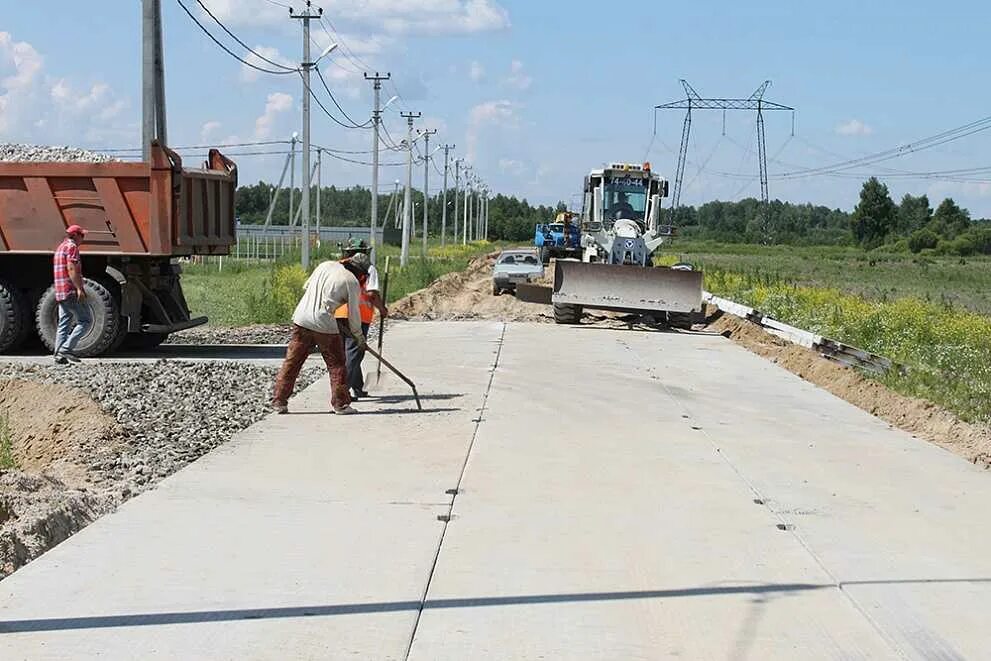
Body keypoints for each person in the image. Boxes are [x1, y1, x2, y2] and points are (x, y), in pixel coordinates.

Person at [271, 254, 369, 415]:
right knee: (337, 365)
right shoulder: (351, 281)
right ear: (361, 274)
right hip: (324, 325)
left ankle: (279, 401)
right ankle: (341, 404)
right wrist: (359, 338)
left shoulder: (325, 265)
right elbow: (354, 316)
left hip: (301, 319)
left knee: (292, 362)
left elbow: (306, 287)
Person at [334, 239, 387, 400]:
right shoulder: (368, 268)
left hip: (337, 314)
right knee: (354, 353)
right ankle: (343, 392)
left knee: (346, 353)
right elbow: (371, 294)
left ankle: (357, 387)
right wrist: (382, 309)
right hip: (358, 315)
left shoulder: (338, 266)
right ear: (364, 252)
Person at [52, 225, 91, 364]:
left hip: (60, 290)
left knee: (65, 320)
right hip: (69, 290)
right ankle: (66, 349)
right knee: (85, 320)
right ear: (75, 235)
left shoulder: (60, 247)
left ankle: (58, 354)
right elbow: (71, 268)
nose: (83, 239)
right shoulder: (72, 247)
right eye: (82, 235)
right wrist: (79, 288)